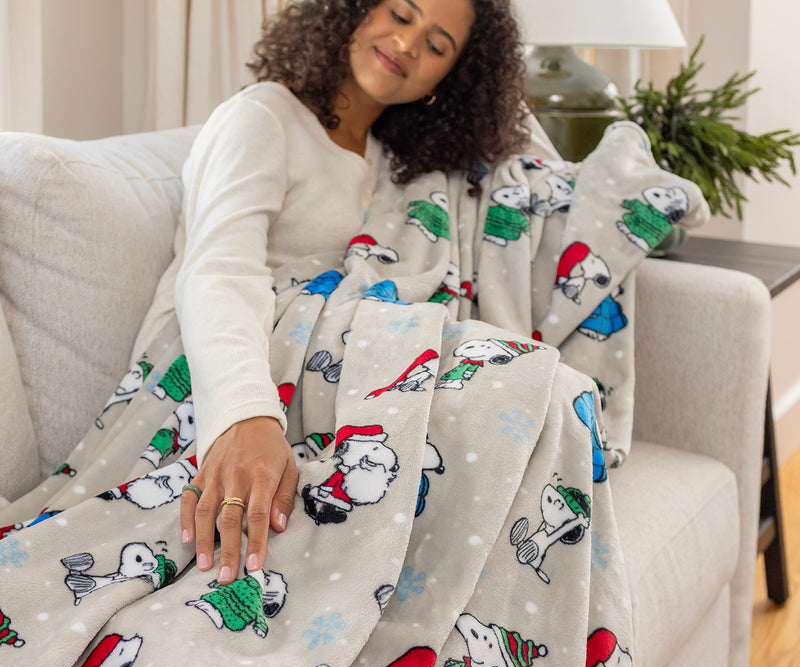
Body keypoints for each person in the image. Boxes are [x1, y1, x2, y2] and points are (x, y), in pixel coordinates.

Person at [174, 0, 556, 586]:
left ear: (450, 79)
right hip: (248, 363)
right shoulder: (263, 118)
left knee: (545, 393)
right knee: (528, 384)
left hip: (354, 365)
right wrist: (246, 416)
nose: (406, 45)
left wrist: (496, 107)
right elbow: (217, 270)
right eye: (401, 14)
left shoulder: (397, 162)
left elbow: (538, 168)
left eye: (437, 47)